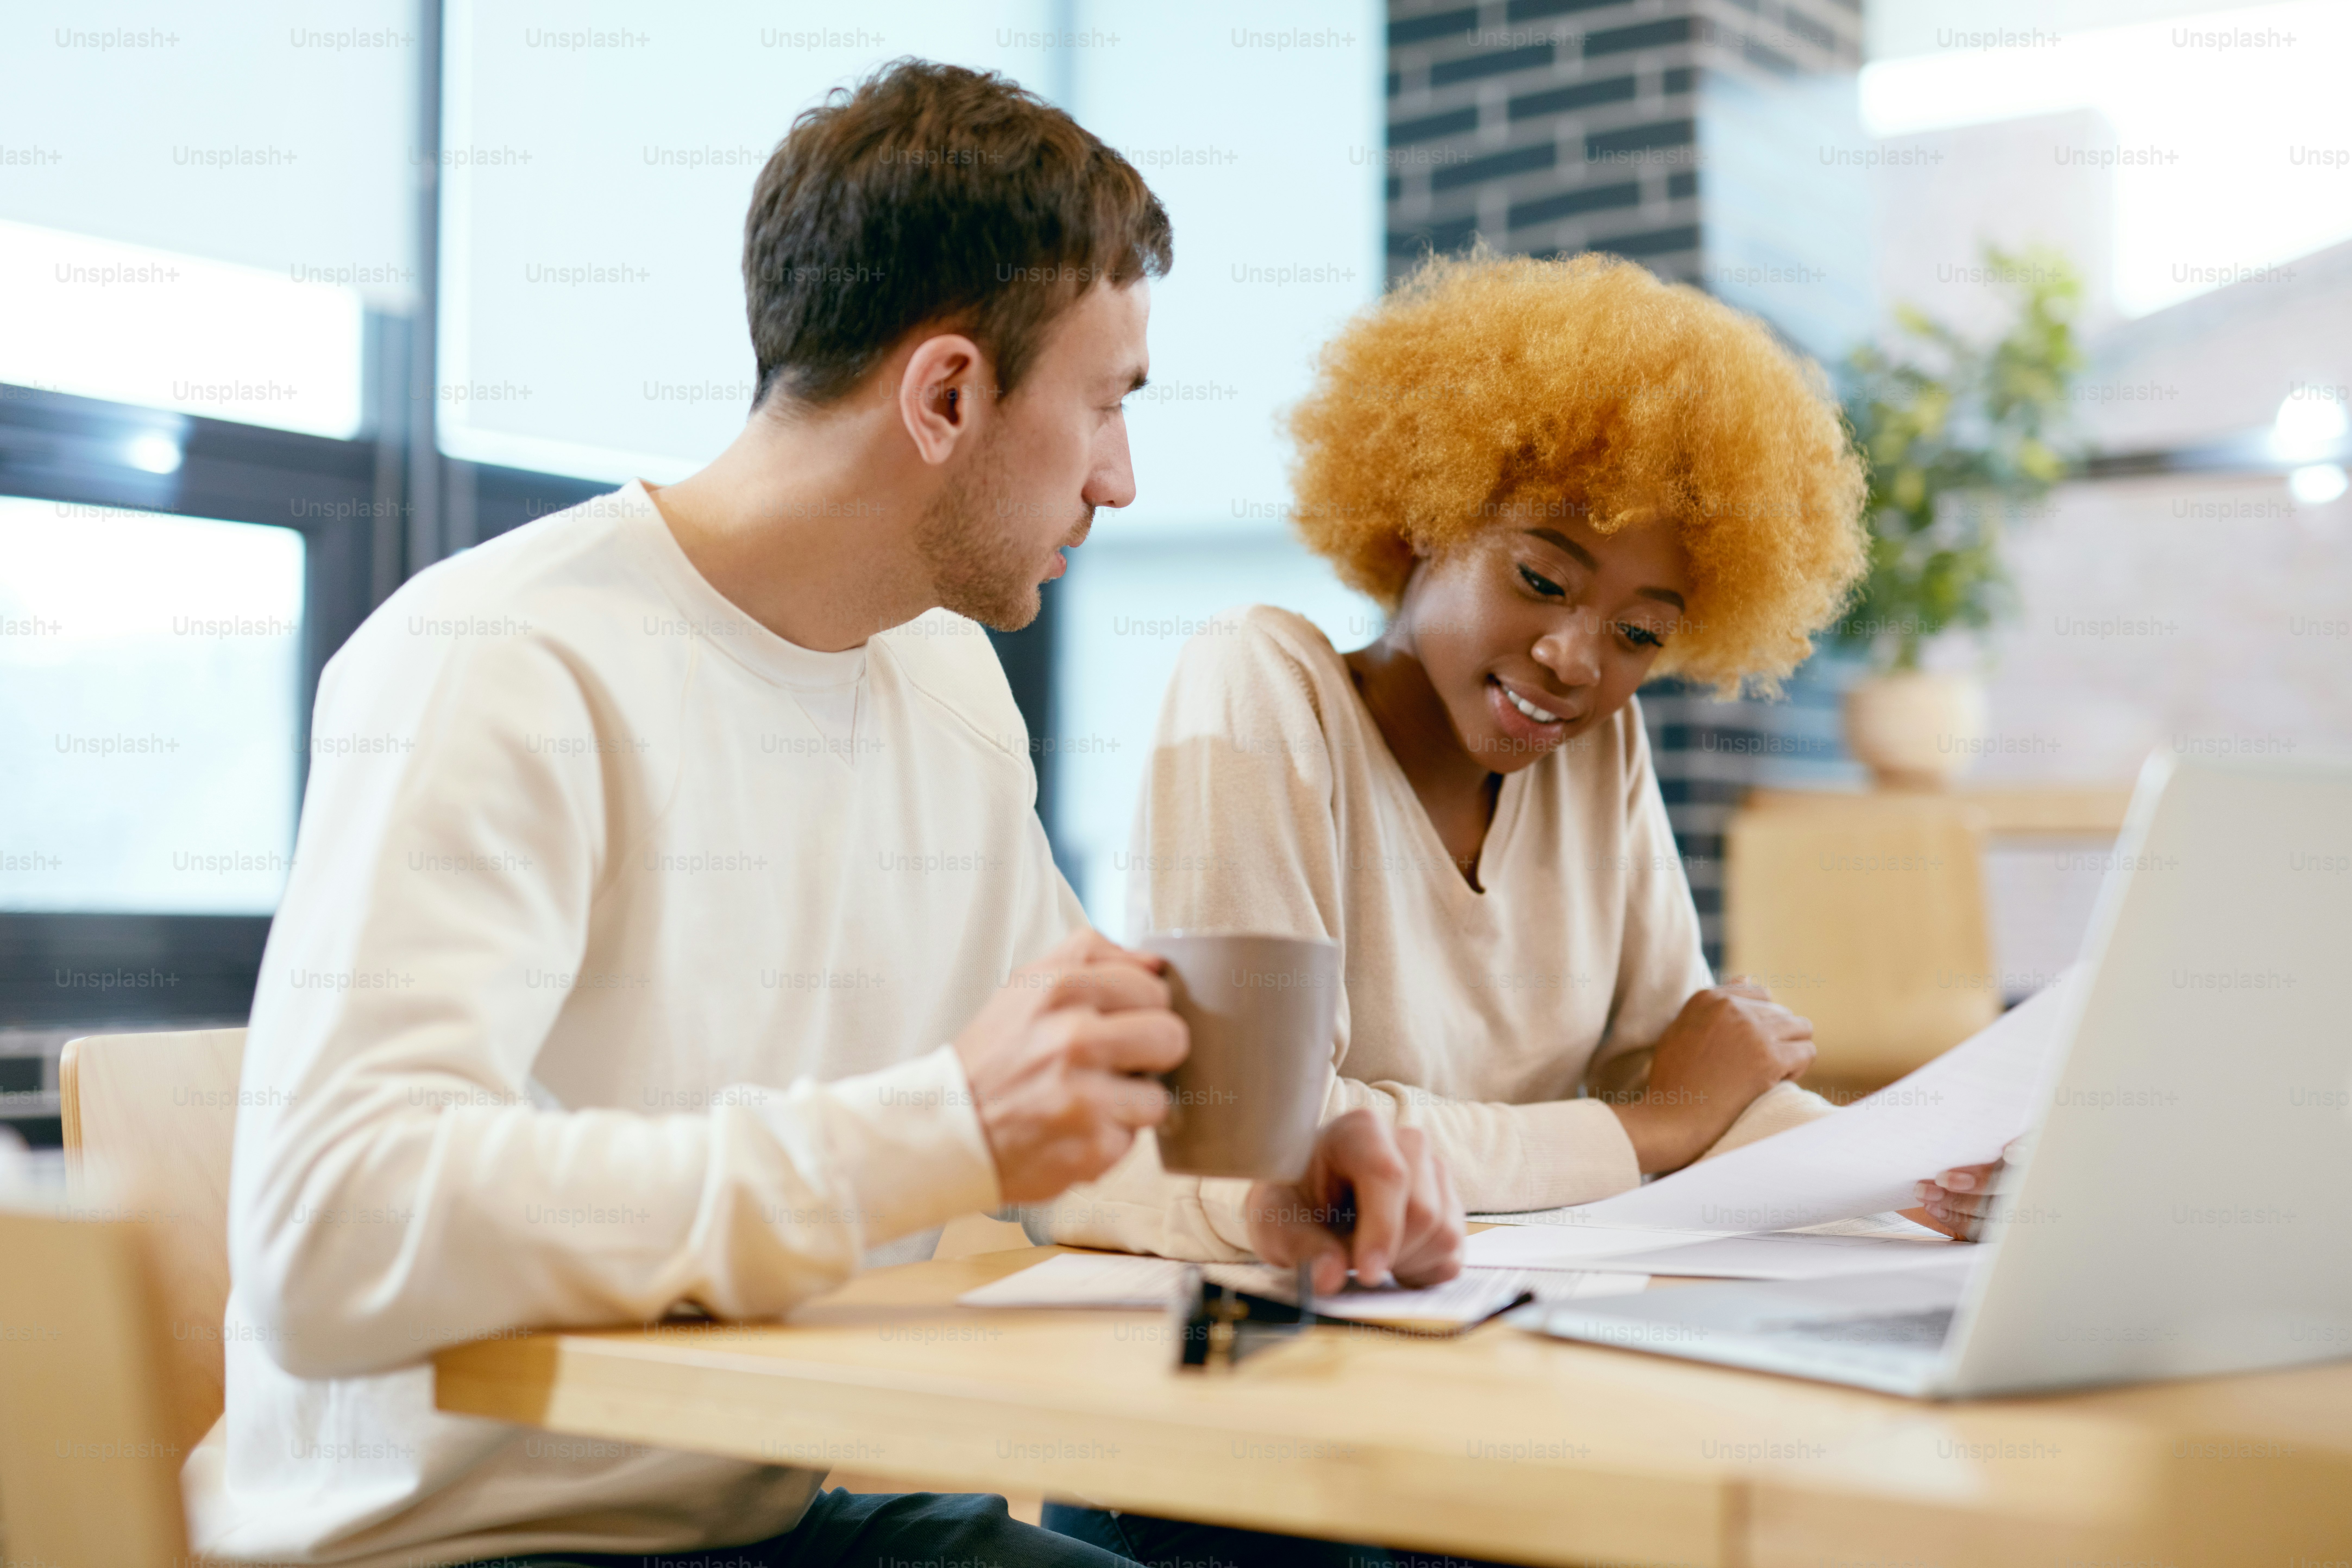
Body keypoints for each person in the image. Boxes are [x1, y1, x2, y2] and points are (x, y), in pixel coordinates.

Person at [194, 61, 1463, 1568]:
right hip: (446, 1546)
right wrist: (938, 1126)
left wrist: (1265, 1180)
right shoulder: (497, 661)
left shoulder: (943, 682)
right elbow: (334, 1233)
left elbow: (1054, 1100)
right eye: (1106, 406)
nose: (1121, 480)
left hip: (757, 1518)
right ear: (946, 395)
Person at [1042, 249, 1999, 1278]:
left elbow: (1686, 1083)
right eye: (1540, 577)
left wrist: (1906, 1173)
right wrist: (1644, 1133)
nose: (1575, 661)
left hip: (1515, 1306)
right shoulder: (1260, 684)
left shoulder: (1598, 753)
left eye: (1639, 635)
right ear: (1422, 516)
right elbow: (1264, 1135)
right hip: (1318, 1329)